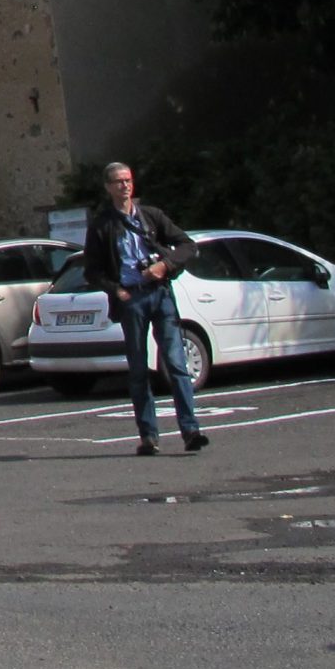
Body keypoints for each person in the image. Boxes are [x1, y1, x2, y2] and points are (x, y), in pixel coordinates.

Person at [83, 161, 207, 456]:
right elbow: (92, 271)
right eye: (117, 182)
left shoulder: (151, 217)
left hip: (160, 295)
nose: (124, 186)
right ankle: (148, 436)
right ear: (108, 187)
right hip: (132, 300)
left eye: (127, 180)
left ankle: (191, 431)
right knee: (139, 369)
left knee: (176, 364)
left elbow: (188, 246)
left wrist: (165, 265)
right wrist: (117, 290)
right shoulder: (102, 226)